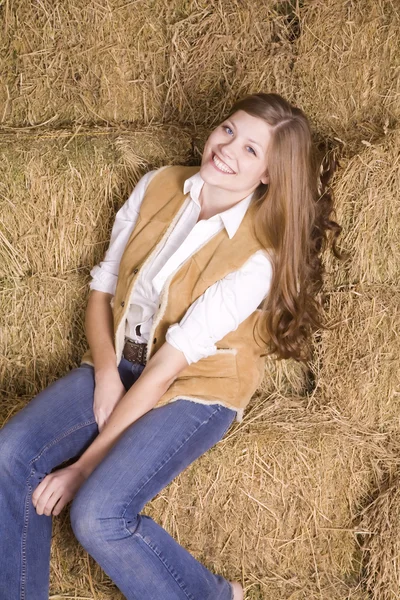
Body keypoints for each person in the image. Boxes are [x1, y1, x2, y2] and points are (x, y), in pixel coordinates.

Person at [0, 92, 343, 600]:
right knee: (11, 453)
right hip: (122, 362)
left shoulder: (257, 258)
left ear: (270, 174)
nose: (227, 149)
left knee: (97, 514)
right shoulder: (159, 183)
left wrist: (82, 467)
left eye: (251, 150)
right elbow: (103, 288)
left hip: (193, 386)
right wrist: (104, 375)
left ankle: (209, 595)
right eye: (229, 130)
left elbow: (166, 368)